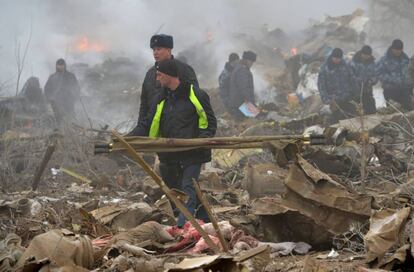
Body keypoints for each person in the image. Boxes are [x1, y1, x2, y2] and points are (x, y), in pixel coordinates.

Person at [130, 59, 217, 227]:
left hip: (192, 153)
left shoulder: (196, 95)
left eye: (159, 74)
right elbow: (147, 123)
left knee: (188, 188)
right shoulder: (160, 98)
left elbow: (209, 122)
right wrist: (128, 138)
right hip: (168, 155)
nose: (156, 78)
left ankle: (183, 227)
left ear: (169, 75)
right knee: (175, 190)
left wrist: (200, 141)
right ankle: (205, 219)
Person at [136, 34, 198, 132]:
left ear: (169, 50)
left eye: (159, 49)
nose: (155, 53)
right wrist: (140, 129)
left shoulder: (184, 70)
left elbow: (195, 99)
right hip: (154, 131)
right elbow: (144, 104)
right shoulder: (150, 74)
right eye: (154, 50)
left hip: (179, 131)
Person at [317, 48, 356, 123]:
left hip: (346, 97)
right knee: (335, 121)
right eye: (335, 58)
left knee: (351, 118)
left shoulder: (346, 66)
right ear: (332, 57)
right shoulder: (325, 68)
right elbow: (321, 85)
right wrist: (326, 99)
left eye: (339, 58)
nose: (337, 60)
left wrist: (354, 93)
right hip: (334, 100)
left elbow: (352, 79)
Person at [376, 39, 412, 111]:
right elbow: (378, 74)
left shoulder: (406, 59)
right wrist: (393, 79)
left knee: (408, 110)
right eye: (396, 49)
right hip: (390, 91)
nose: (398, 51)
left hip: (404, 90)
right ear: (392, 48)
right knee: (393, 111)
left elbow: (410, 73)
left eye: (400, 50)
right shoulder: (384, 60)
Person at [228, 51, 257, 120]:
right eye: (251, 61)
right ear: (246, 60)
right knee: (250, 122)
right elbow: (244, 89)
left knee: (246, 123)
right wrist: (251, 104)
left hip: (241, 103)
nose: (252, 64)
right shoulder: (242, 70)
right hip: (242, 104)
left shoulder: (240, 68)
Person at [349, 45, 377, 114]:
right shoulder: (353, 63)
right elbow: (350, 76)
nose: (367, 57)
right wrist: (359, 81)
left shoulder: (372, 63)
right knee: (356, 111)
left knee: (371, 110)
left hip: (368, 91)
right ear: (362, 54)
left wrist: (372, 81)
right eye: (365, 55)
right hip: (355, 92)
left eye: (368, 55)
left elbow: (376, 75)